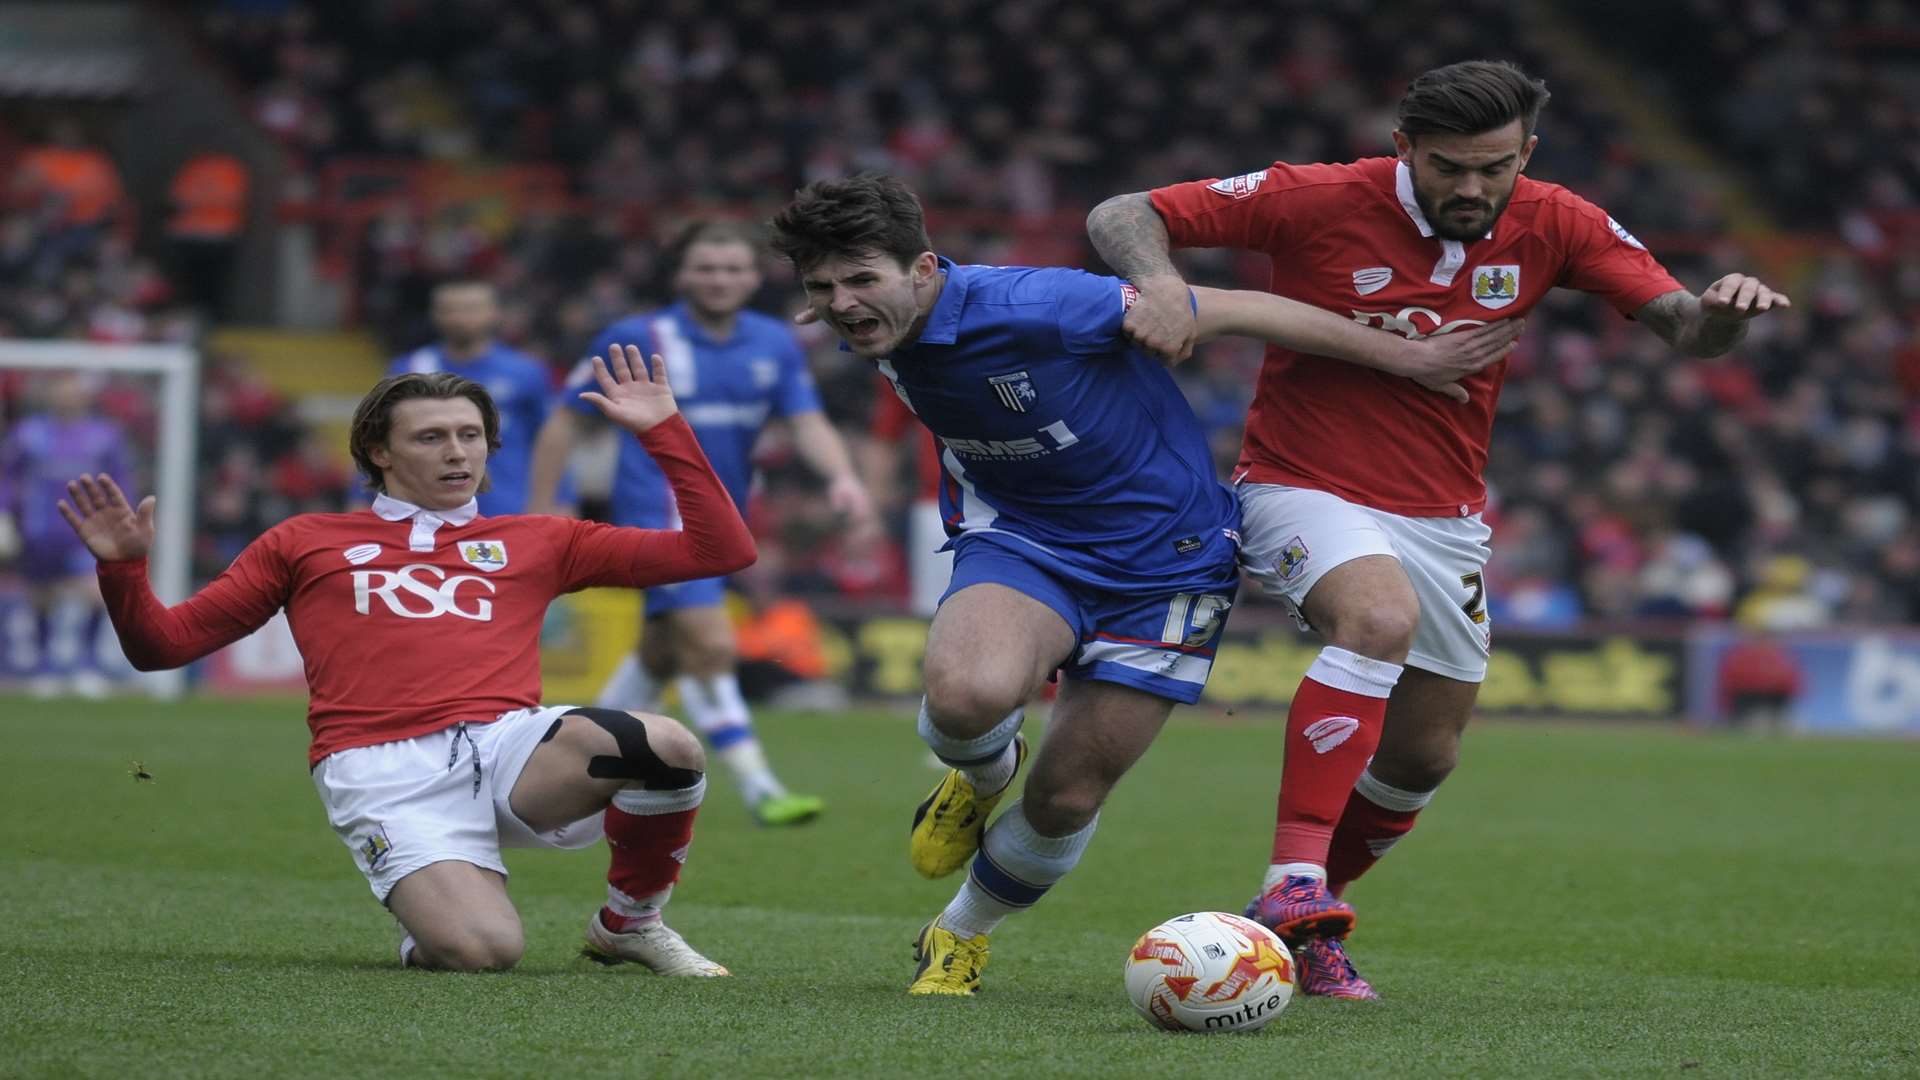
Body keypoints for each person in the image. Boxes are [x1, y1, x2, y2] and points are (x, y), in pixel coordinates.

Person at [1086, 58, 1792, 999]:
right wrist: (1160, 283)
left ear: (1526, 155)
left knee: (1424, 756)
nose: (1474, 188)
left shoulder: (1559, 219)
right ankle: (1292, 880)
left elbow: (1683, 326)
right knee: (1376, 621)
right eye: (1450, 166)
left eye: (1495, 168)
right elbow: (1122, 212)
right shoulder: (1315, 199)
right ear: (1402, 149)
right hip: (1300, 483)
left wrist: (1723, 316)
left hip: (1446, 515)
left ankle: (1302, 921)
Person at [767, 173, 1519, 996]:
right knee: (965, 697)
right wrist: (853, 294)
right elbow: (858, 302)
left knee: (1065, 796)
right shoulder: (882, 317)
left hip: (1169, 566)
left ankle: (960, 932)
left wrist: (1408, 357)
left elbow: (1243, 309)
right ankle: (981, 776)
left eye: (860, 280)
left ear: (924, 268)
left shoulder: (1042, 304)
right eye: (821, 288)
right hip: (1025, 542)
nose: (839, 304)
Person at [57, 348, 754, 974]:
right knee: (485, 953)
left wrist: (665, 431)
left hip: (508, 746)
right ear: (378, 452)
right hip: (379, 768)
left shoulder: (541, 538)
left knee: (664, 743)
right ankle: (435, 922)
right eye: (431, 437)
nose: (458, 453)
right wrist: (124, 571)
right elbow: (162, 649)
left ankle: (630, 924)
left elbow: (721, 551)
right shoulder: (305, 541)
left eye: (470, 436)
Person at [529, 221, 878, 827]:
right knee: (711, 642)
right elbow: (566, 420)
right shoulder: (639, 336)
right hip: (659, 520)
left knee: (662, 653)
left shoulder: (773, 342)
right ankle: (760, 786)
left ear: (755, 276)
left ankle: (555, 767)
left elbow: (806, 421)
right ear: (680, 274)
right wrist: (544, 505)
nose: (719, 280)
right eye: (706, 267)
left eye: (732, 268)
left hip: (726, 522)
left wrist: (843, 477)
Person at [1, 372, 132, 696]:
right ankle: (45, 665)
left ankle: (87, 663)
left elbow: (120, 478)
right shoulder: (28, 434)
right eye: (61, 391)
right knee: (41, 599)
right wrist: (4, 514)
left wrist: (123, 520)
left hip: (89, 532)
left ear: (85, 397)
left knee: (97, 594)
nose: (67, 397)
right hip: (39, 531)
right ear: (51, 395)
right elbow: (7, 476)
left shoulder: (105, 435)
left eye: (73, 391)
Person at [391, 280, 561, 516]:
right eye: (450, 310)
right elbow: (382, 438)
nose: (459, 318)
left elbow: (552, 440)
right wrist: (359, 496)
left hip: (509, 510)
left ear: (494, 313)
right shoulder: (410, 369)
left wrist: (561, 499)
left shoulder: (526, 371)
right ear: (435, 315)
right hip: (427, 513)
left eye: (470, 309)